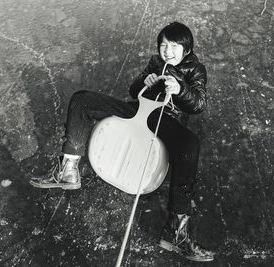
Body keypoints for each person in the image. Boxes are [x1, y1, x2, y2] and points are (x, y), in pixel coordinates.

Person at [29, 21, 214, 262]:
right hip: (137, 109)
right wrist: (143, 83)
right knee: (82, 100)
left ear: (186, 49)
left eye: (174, 46)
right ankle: (67, 170)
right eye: (163, 45)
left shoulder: (195, 69)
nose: (167, 51)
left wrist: (180, 90)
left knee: (189, 144)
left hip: (163, 118)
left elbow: (198, 104)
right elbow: (133, 89)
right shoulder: (156, 62)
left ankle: (176, 230)